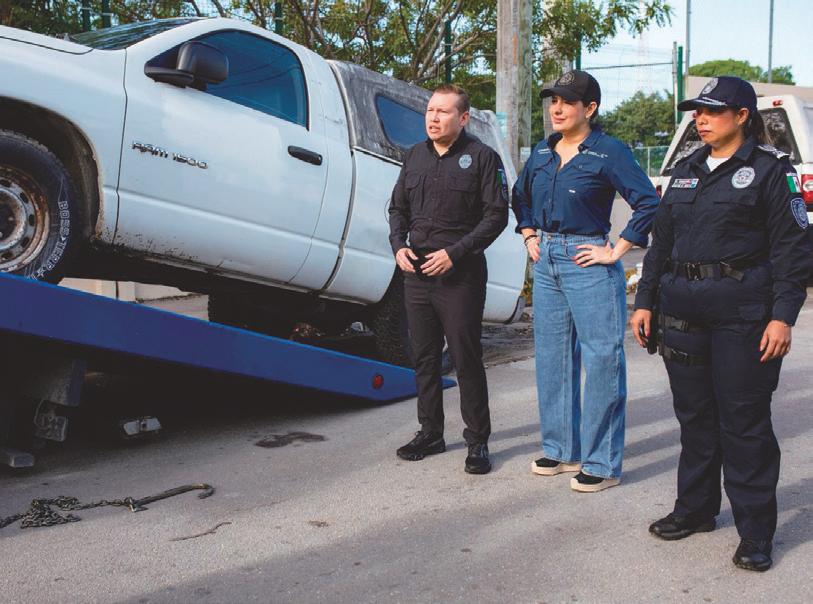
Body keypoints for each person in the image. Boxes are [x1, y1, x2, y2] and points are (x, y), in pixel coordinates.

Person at [630, 76, 810, 571]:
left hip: (743, 318)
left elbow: (793, 253)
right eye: (697, 111)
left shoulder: (770, 170)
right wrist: (645, 302)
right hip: (683, 313)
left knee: (744, 424)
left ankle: (755, 533)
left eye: (711, 111)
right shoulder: (685, 170)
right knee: (695, 419)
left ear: (742, 116)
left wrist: (782, 317)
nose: (700, 119)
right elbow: (661, 244)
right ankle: (696, 510)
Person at [512, 70, 659, 492]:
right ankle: (561, 450)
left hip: (588, 261)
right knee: (553, 358)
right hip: (547, 262)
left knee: (601, 360)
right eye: (553, 101)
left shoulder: (609, 151)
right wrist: (529, 235)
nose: (556, 109)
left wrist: (616, 250)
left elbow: (649, 203)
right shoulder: (543, 150)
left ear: (590, 108)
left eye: (567, 102)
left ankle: (602, 463)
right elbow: (520, 195)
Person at [388, 83, 509, 474]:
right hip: (417, 272)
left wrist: (454, 254)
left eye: (442, 111)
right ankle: (431, 433)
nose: (433, 118)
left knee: (464, 357)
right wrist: (398, 246)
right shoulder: (414, 156)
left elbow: (496, 216)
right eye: (430, 111)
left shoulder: (483, 158)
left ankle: (477, 441)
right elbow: (397, 209)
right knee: (423, 357)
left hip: (460, 275)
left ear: (463, 117)